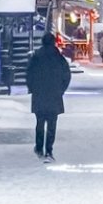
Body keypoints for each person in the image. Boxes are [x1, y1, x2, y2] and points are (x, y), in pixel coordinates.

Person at [26, 33, 72, 162]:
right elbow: (66, 75)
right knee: (52, 124)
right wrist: (61, 90)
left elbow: (29, 74)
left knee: (40, 122)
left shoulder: (36, 57)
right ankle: (49, 150)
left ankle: (39, 148)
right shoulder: (59, 58)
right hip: (54, 96)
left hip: (39, 95)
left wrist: (33, 88)